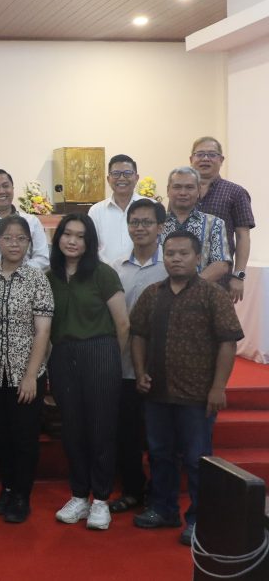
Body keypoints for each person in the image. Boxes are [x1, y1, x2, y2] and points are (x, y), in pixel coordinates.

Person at [130, 230, 243, 546]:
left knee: (197, 459)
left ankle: (199, 520)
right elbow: (137, 334)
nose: (176, 259)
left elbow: (228, 342)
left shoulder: (212, 295)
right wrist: (139, 372)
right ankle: (163, 509)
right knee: (159, 454)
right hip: (157, 392)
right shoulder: (152, 294)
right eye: (170, 254)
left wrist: (218, 387)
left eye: (183, 253)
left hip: (197, 395)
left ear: (197, 257)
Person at [47, 214, 130, 531]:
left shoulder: (102, 273)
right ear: (58, 238)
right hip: (63, 356)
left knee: (101, 429)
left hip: (100, 352)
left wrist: (109, 360)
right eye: (67, 234)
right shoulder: (50, 276)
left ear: (89, 242)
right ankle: (79, 496)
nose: (72, 241)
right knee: (72, 430)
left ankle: (101, 500)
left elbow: (123, 324)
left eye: (80, 236)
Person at [0, 215, 54, 524]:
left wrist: (30, 376)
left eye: (21, 238)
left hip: (26, 373)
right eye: (8, 238)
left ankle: (22, 495)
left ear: (29, 243)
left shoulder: (38, 279)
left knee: (25, 438)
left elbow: (43, 331)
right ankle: (7, 488)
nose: (14, 243)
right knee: (2, 436)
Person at [108, 199, 167, 516]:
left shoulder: (170, 264)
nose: (140, 228)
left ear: (160, 227)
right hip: (123, 364)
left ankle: (160, 497)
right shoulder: (116, 267)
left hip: (161, 365)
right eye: (134, 222)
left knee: (160, 437)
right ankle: (132, 490)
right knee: (126, 434)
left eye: (147, 222)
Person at [191, 136, 256, 302]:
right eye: (200, 154)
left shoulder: (236, 193)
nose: (205, 158)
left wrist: (239, 276)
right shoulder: (181, 192)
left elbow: (243, 236)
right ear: (191, 159)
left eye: (212, 154)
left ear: (221, 160)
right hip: (183, 276)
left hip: (220, 279)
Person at [161, 166, 230, 282]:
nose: (183, 193)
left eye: (189, 187)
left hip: (200, 291)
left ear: (198, 190)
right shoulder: (156, 223)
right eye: (177, 187)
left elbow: (221, 264)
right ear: (168, 190)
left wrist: (191, 288)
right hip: (160, 290)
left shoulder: (214, 223)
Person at [88, 155, 143, 264]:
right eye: (116, 173)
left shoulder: (151, 207)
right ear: (108, 179)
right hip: (106, 273)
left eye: (127, 173)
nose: (121, 178)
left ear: (136, 178)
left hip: (144, 272)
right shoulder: (96, 211)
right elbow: (90, 247)